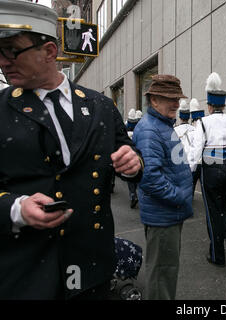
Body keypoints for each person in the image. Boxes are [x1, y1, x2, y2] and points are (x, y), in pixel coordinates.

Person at [0, 1, 143, 299]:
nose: (3, 61)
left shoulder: (101, 105)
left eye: (12, 49)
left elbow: (127, 153)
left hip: (92, 265)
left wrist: (134, 163)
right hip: (26, 271)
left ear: (49, 52)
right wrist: (16, 208)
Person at [132, 74, 193, 299]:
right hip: (164, 214)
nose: (176, 103)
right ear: (154, 100)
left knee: (165, 274)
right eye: (170, 98)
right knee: (161, 278)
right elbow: (150, 179)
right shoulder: (150, 129)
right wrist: (179, 196)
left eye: (177, 98)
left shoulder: (160, 125)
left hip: (168, 213)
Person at [190, 72, 226, 267]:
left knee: (213, 212)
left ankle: (217, 255)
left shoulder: (203, 122)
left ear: (209, 106)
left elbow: (196, 151)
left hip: (211, 170)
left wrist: (190, 172)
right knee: (222, 207)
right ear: (224, 105)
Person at [126, 108, 141, 208]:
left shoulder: (125, 128)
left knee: (130, 176)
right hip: (138, 154)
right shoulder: (139, 129)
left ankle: (132, 195)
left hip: (129, 155)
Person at [189, 98, 204, 194]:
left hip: (198, 162)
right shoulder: (204, 124)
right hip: (206, 163)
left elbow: (197, 147)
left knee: (191, 187)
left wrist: (191, 167)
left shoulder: (197, 128)